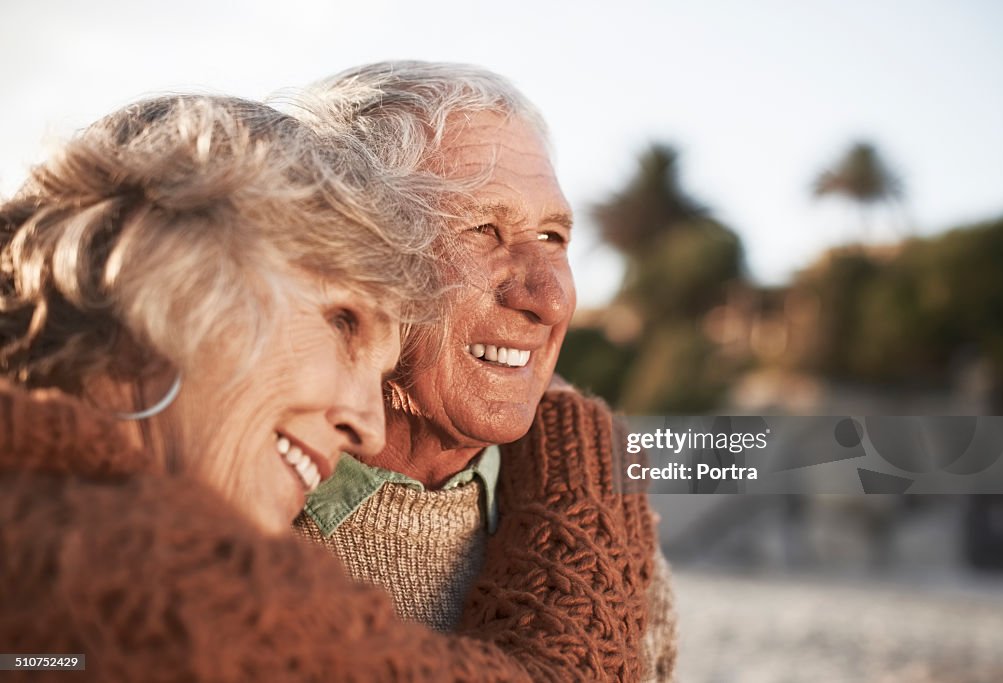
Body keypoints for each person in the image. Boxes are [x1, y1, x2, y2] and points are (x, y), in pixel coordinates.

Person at [0, 94, 653, 680]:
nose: (365, 422)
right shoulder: (109, 559)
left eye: (554, 236)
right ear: (168, 278)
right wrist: (584, 457)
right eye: (343, 320)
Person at [291, 61, 678, 681]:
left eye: (553, 237)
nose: (549, 299)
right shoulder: (229, 517)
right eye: (483, 230)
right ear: (345, 260)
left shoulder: (613, 530)